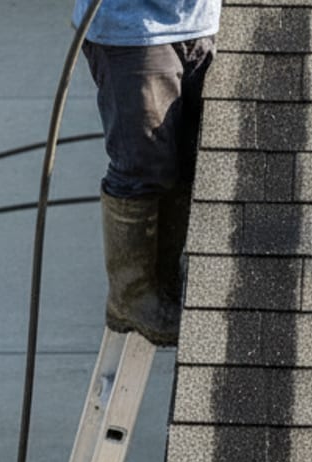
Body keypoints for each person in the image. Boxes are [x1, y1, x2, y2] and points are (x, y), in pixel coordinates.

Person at [74, 0, 219, 346]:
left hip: (200, 22)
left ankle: (164, 285)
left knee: (189, 161)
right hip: (133, 30)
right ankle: (131, 296)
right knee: (143, 166)